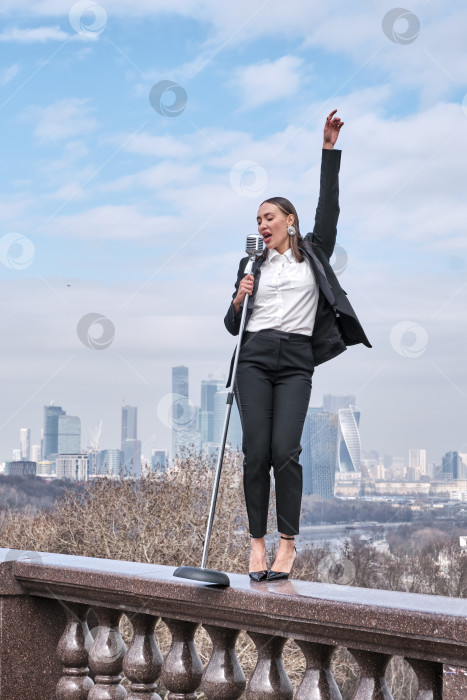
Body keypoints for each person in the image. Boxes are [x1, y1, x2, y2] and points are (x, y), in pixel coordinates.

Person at [224, 110, 372, 582]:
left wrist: (328, 151)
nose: (262, 224)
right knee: (256, 453)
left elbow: (329, 206)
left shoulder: (314, 252)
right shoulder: (252, 264)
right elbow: (232, 325)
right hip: (254, 357)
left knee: (286, 450)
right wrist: (237, 297)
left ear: (289, 221)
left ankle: (287, 545)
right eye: (258, 220)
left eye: (269, 217)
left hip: (296, 361)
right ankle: (256, 543)